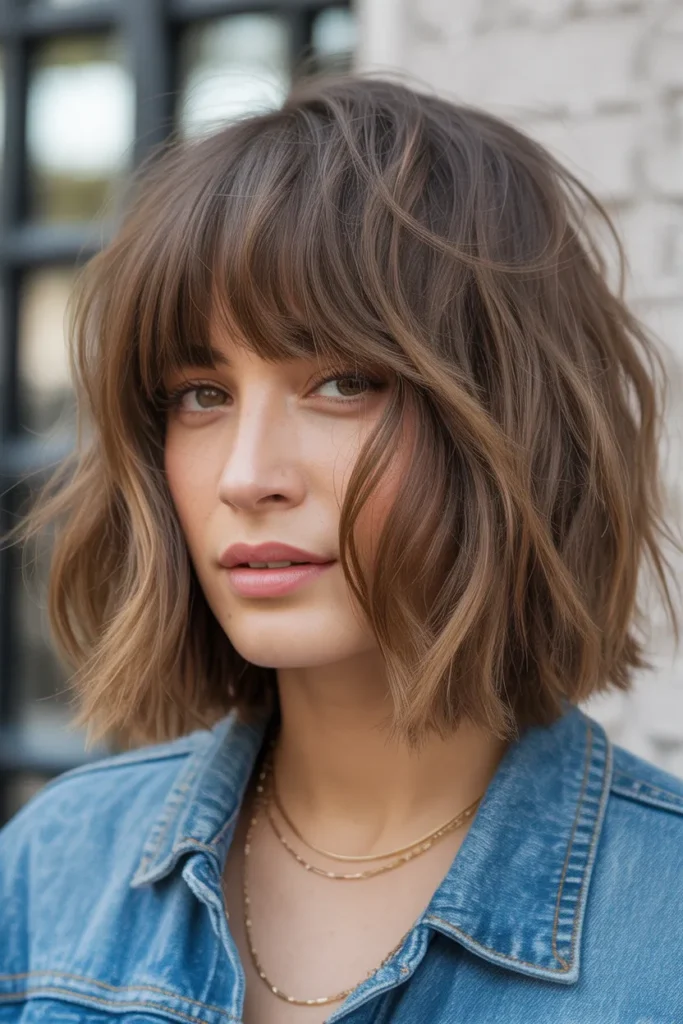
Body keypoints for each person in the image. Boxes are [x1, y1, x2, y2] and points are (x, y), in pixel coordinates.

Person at [1, 72, 682, 1024]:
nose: (246, 475)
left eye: (341, 382)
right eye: (202, 393)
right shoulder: (49, 874)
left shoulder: (663, 924)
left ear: (507, 416)